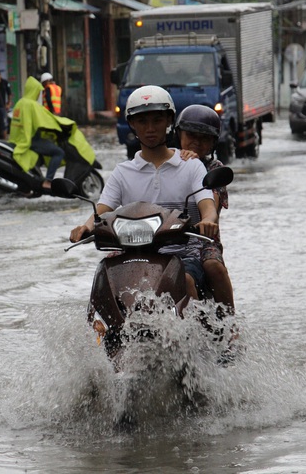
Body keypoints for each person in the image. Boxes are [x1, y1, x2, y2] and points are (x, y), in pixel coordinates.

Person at [69, 85, 219, 300]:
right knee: (104, 284)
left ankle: (194, 332)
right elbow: (101, 210)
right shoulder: (123, 172)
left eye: (157, 121)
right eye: (142, 122)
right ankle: (101, 331)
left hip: (183, 253)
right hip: (132, 254)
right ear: (131, 124)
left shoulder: (192, 166)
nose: (150, 128)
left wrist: (208, 221)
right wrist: (85, 227)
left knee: (184, 281)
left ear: (169, 121)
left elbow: (208, 207)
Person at [176, 104, 235, 312]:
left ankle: (229, 324)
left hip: (203, 240)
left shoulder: (215, 169)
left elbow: (212, 203)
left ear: (213, 143)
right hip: (166, 237)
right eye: (191, 135)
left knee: (213, 266)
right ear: (179, 135)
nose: (196, 142)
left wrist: (208, 221)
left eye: (204, 138)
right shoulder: (169, 163)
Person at [9, 76, 67, 191]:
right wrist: (61, 124)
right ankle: (48, 181)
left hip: (16, 139)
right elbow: (46, 119)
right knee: (59, 152)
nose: (38, 95)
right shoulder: (31, 104)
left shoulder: (20, 102)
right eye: (38, 92)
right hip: (30, 140)